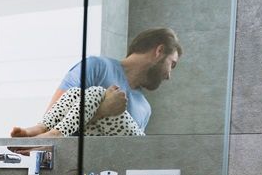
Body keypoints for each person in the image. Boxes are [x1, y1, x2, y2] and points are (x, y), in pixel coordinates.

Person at [11, 27, 182, 137]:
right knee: (77, 94)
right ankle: (41, 129)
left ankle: (41, 129)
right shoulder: (97, 67)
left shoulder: (145, 108)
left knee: (98, 93)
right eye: (172, 64)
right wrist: (103, 111)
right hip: (84, 169)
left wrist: (101, 111)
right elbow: (57, 115)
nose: (169, 75)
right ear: (159, 51)